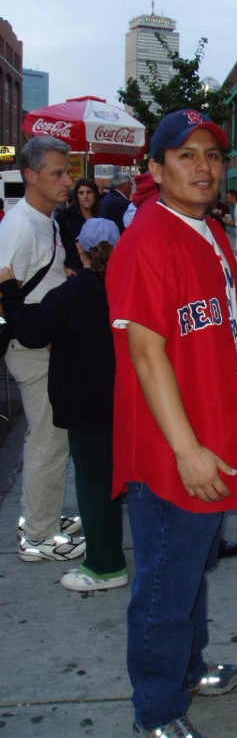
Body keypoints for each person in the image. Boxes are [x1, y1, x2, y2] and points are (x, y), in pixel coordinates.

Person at [106, 108, 237, 738]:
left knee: (191, 574)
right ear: (156, 168)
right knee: (165, 589)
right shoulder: (149, 239)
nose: (203, 167)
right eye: (186, 155)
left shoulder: (208, 231)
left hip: (213, 438)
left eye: (212, 155)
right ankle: (156, 707)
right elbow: (146, 355)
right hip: (176, 453)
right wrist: (188, 450)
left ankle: (190, 670)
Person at [0, 218, 127, 590]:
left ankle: (105, 566)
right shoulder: (127, 286)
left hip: (83, 404)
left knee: (93, 483)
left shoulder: (70, 294)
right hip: (124, 400)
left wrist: (9, 290)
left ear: (81, 250)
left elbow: (30, 333)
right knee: (111, 479)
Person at [0, 136, 85, 562]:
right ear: (30, 176)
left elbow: (35, 273)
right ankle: (38, 537)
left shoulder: (44, 219)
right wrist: (41, 332)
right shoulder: (20, 225)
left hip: (44, 340)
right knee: (49, 439)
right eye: (57, 172)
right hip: (33, 345)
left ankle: (44, 517)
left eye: (67, 171)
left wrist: (61, 272)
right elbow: (4, 285)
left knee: (52, 436)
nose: (67, 180)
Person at [54, 177, 101, 272]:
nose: (85, 196)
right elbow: (53, 243)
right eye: (81, 193)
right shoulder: (66, 216)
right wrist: (64, 269)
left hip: (95, 271)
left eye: (89, 192)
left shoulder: (101, 217)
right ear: (76, 196)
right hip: (72, 271)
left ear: (95, 194)